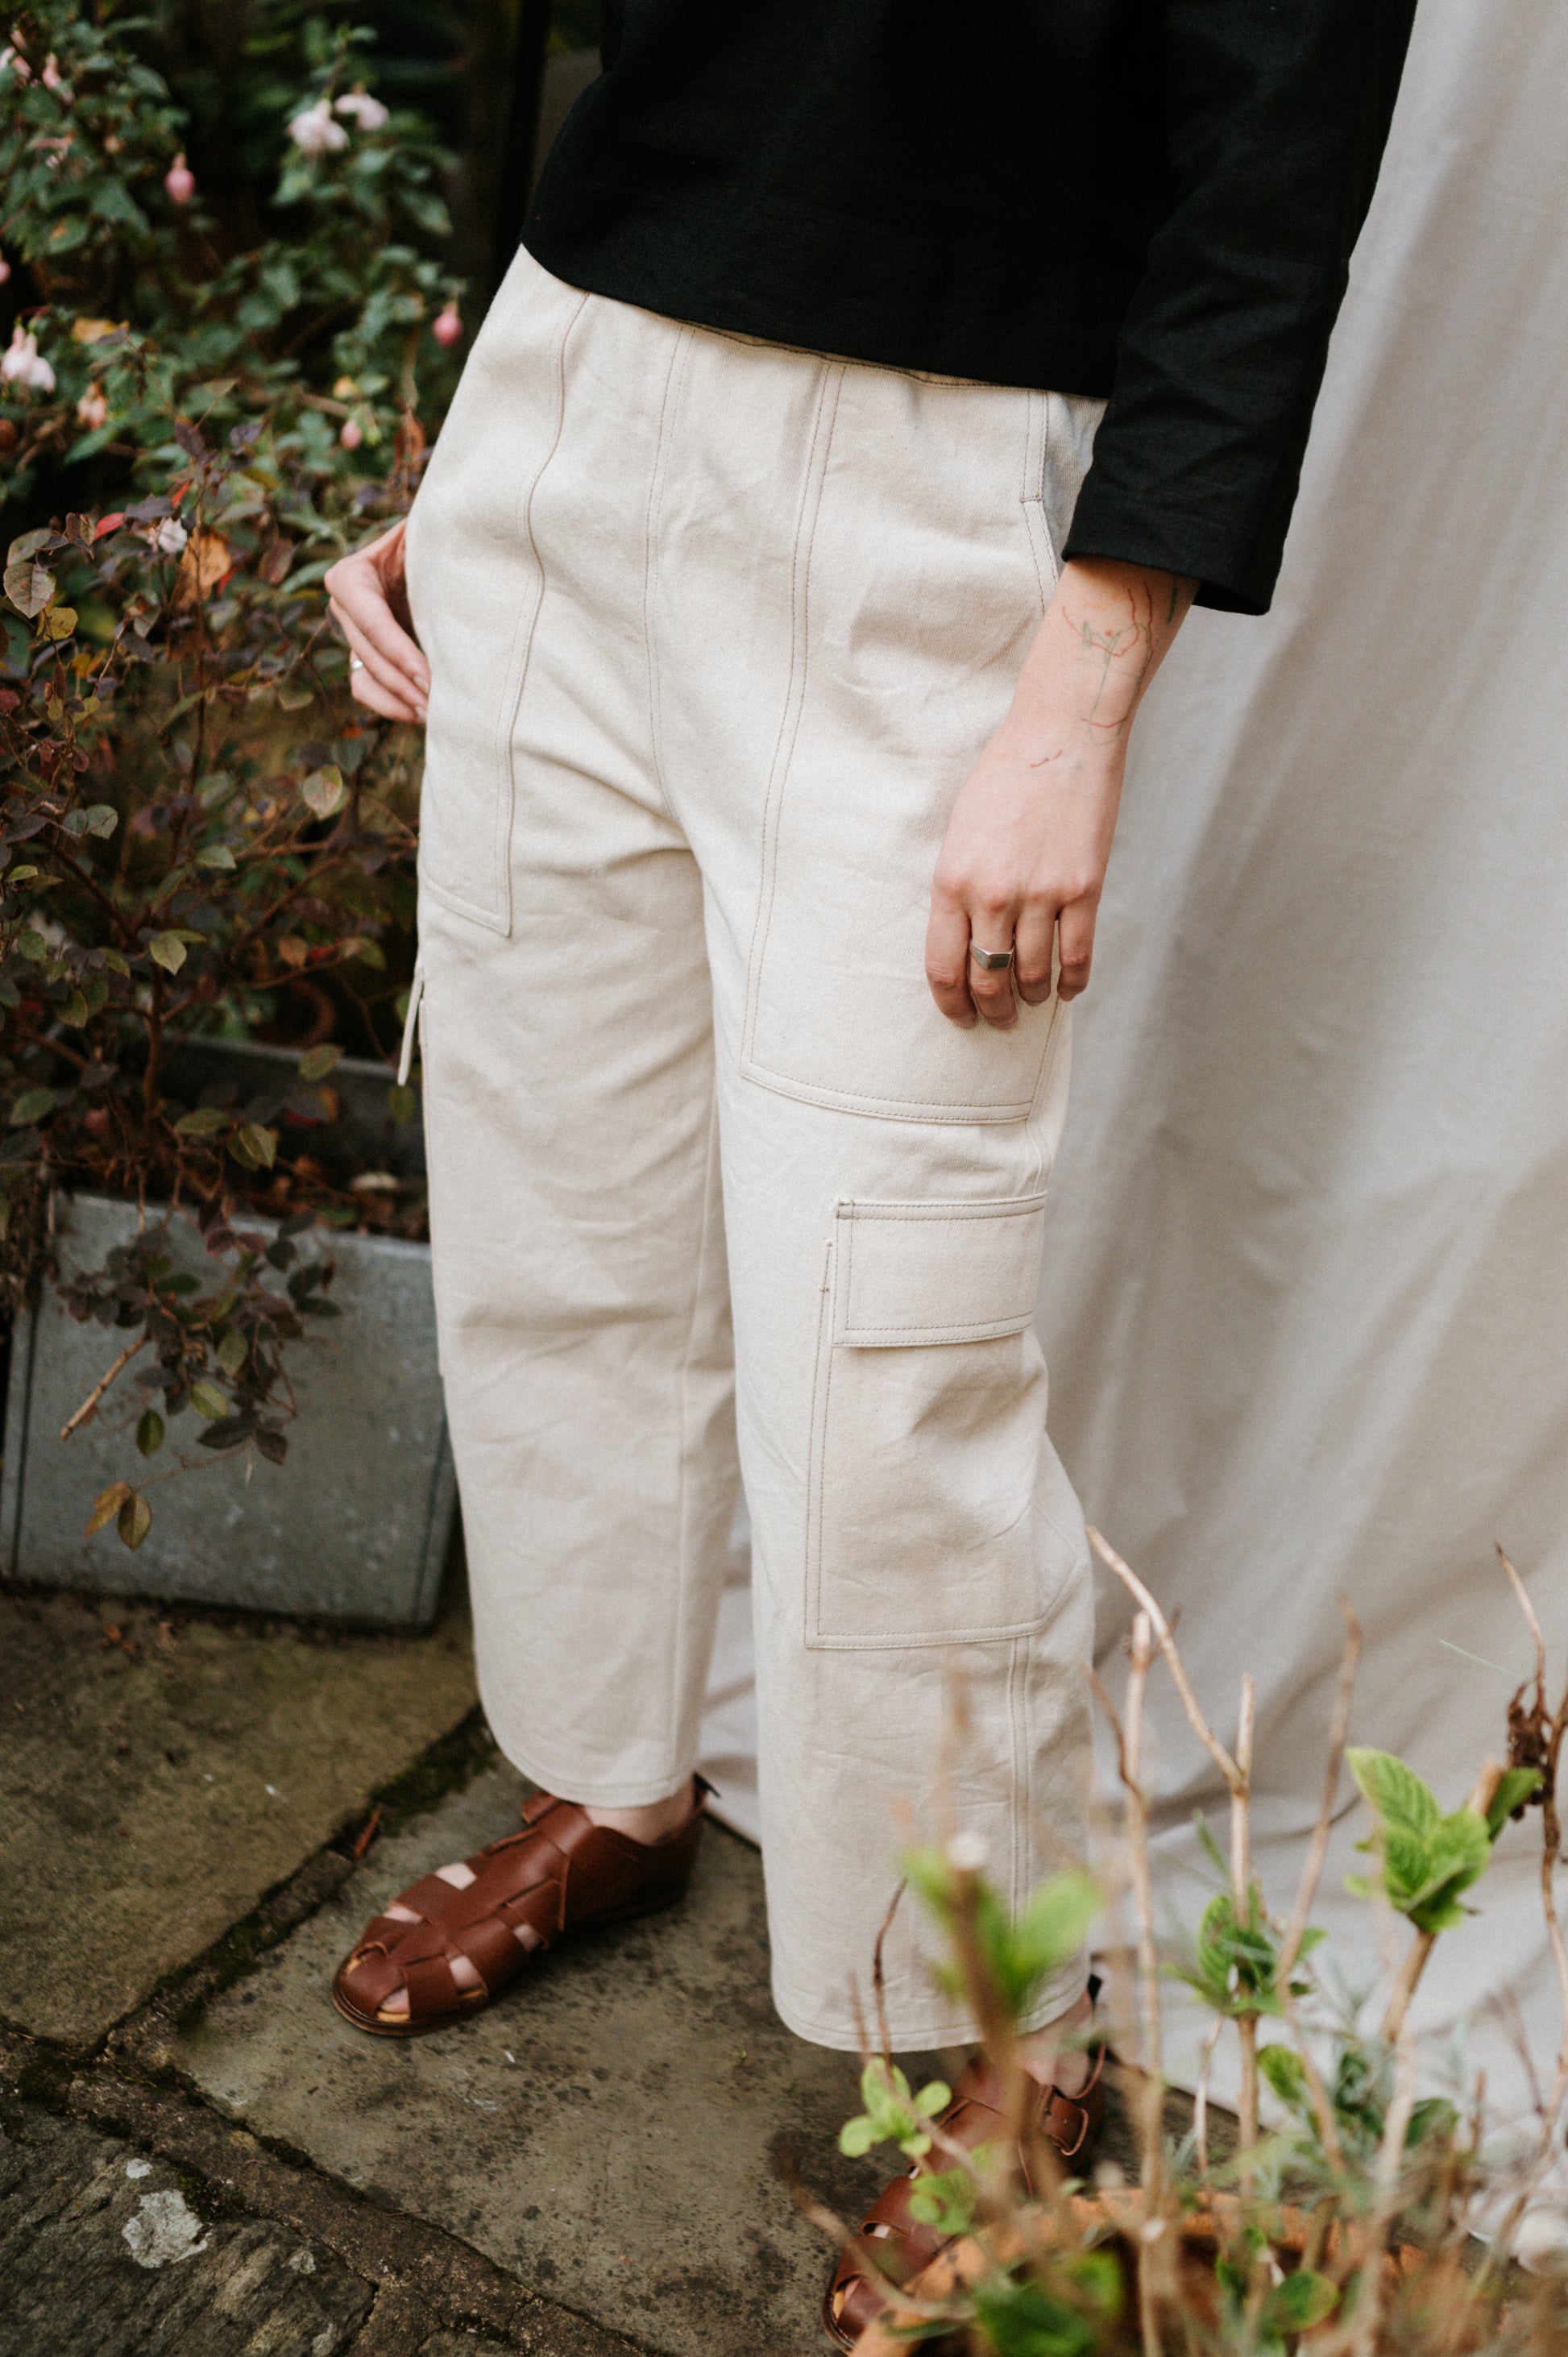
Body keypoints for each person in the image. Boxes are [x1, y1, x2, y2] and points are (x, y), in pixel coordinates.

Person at [323, 2, 1417, 2339]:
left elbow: (1270, 180)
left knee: (884, 1356)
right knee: (561, 1208)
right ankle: (612, 1777)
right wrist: (495, 433)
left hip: (935, 509)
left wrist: (1073, 700)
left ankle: (1003, 2049)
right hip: (577, 412)